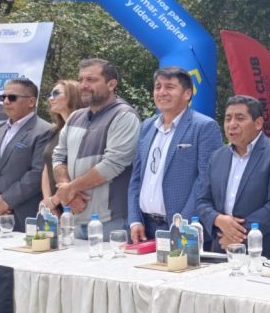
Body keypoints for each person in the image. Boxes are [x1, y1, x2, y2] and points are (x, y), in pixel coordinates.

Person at [127, 67, 223, 243]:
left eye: (169, 87)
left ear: (187, 94)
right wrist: (134, 220)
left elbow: (206, 180)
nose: (162, 92)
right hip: (145, 229)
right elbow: (136, 178)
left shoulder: (204, 127)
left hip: (183, 229)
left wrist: (182, 224)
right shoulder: (147, 127)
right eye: (158, 87)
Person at [51, 58, 140, 237]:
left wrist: (69, 190)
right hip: (74, 218)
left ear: (111, 84)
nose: (83, 85)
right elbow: (58, 156)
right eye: (81, 79)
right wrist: (67, 189)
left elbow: (112, 165)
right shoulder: (76, 116)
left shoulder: (124, 116)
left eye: (91, 80)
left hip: (110, 223)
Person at [197, 96, 270, 258]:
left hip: (262, 251)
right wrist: (218, 220)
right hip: (221, 247)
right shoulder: (217, 157)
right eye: (228, 119)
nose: (232, 124)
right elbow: (202, 201)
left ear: (258, 123)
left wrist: (236, 236)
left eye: (240, 118)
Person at [0, 78, 54, 230]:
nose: (5, 101)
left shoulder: (46, 131)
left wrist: (6, 201)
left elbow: (37, 173)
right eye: (2, 97)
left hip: (28, 218)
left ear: (31, 102)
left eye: (12, 97)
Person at [40, 79, 82, 215]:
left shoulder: (84, 131)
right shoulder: (54, 132)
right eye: (50, 94)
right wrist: (48, 202)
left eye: (56, 93)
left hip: (76, 205)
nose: (50, 98)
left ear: (73, 96)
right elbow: (47, 167)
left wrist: (55, 200)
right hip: (53, 209)